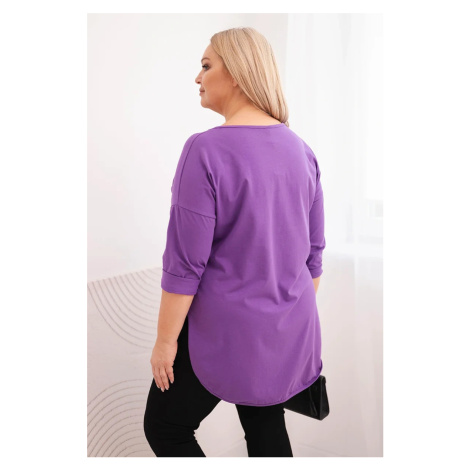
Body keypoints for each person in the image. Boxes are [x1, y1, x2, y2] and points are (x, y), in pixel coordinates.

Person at [143, 26, 326, 457]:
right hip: (286, 330)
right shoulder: (302, 150)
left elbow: (185, 266)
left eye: (206, 65)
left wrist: (165, 342)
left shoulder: (205, 150)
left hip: (224, 331)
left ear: (239, 74)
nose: (198, 77)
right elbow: (313, 257)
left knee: (165, 426)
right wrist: (280, 317)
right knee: (265, 427)